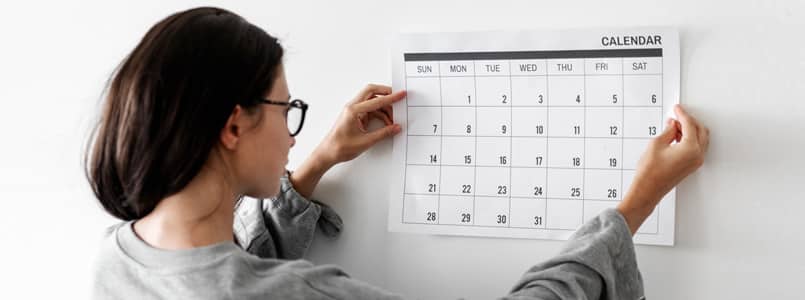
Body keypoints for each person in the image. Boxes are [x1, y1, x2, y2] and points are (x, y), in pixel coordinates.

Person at [86, 7, 709, 300]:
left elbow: (220, 269)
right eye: (286, 110)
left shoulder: (119, 259)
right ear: (232, 126)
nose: (295, 132)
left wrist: (314, 165)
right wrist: (634, 206)